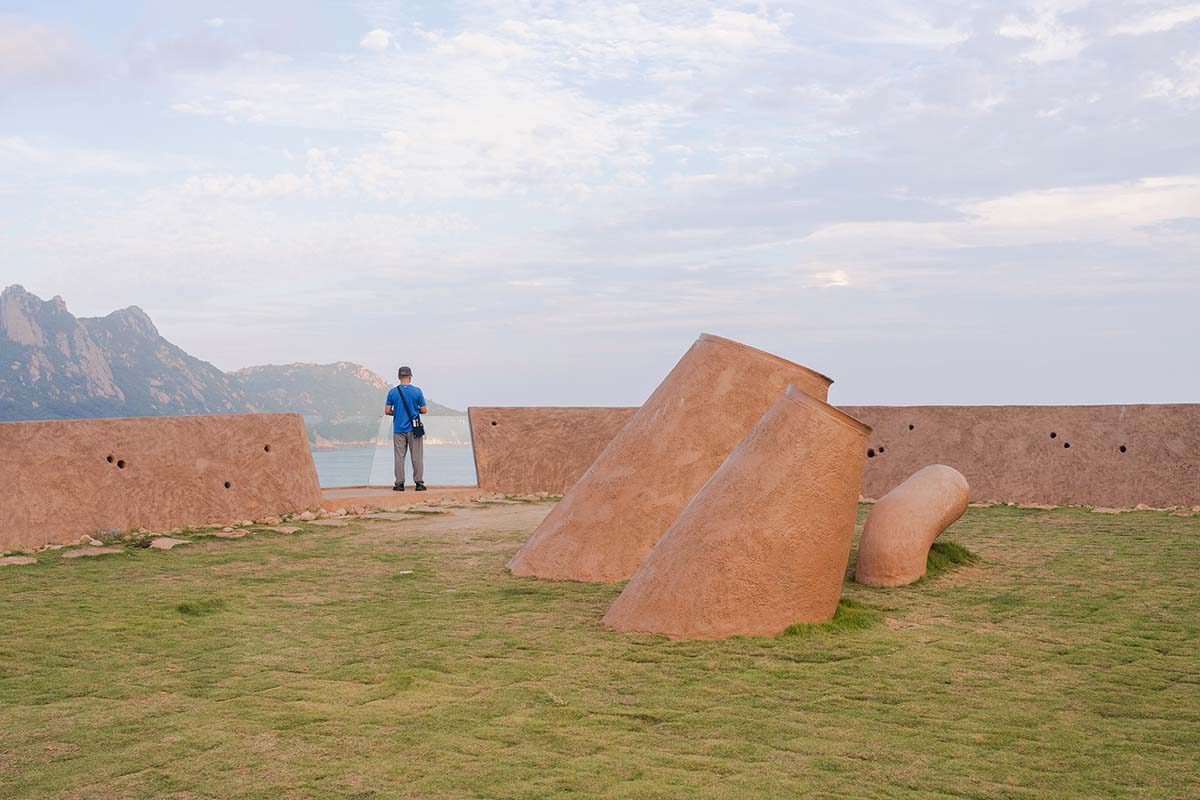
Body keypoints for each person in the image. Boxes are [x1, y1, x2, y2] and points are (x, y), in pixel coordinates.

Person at [385, 366, 429, 491]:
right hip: (414, 429)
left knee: (399, 457)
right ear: (410, 377)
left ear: (399, 377)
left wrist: (397, 412)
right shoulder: (417, 391)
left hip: (398, 429)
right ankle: (419, 484)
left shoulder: (393, 392)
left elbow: (387, 411)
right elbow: (424, 410)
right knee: (417, 457)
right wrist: (415, 410)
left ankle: (399, 484)